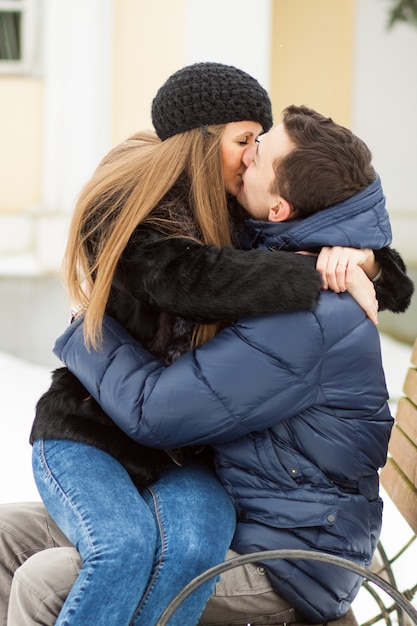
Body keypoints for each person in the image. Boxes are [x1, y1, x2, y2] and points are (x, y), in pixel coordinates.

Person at [0, 94, 411, 625]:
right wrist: (369, 259)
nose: (247, 155)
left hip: (284, 560)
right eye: (248, 141)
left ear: (280, 207)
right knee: (7, 540)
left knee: (47, 580)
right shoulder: (284, 249)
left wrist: (86, 335)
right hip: (250, 514)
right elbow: (169, 258)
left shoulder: (305, 317)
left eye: (258, 150)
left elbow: (157, 414)